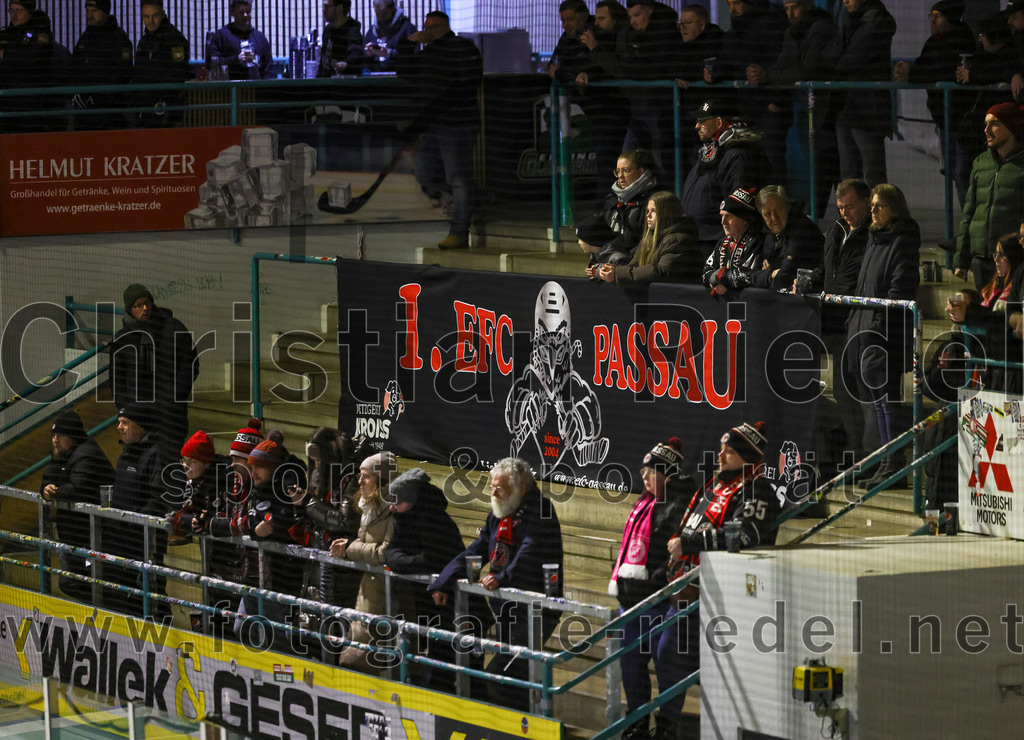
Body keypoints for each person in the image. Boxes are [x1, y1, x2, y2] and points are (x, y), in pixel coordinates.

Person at [663, 420, 780, 740]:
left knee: (680, 657)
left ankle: (681, 727)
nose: (720, 455)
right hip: (688, 590)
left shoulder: (758, 490)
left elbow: (746, 535)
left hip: (725, 596)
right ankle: (668, 726)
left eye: (729, 452)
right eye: (722, 449)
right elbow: (689, 523)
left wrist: (690, 544)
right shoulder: (714, 484)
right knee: (673, 657)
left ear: (746, 457)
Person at [430, 458, 564, 713]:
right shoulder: (499, 512)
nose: (493, 493)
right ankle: (520, 724)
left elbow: (531, 552)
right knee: (516, 679)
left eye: (499, 488)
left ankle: (520, 723)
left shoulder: (541, 510)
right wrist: (443, 581)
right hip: (505, 607)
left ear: (521, 489)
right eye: (492, 486)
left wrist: (502, 578)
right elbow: (477, 550)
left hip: (536, 608)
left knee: (503, 672)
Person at [611, 438, 694, 740]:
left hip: (660, 600)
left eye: (650, 472)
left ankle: (668, 725)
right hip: (631, 599)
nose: (643, 477)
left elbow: (678, 555)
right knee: (630, 663)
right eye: (642, 471)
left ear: (667, 474)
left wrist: (653, 581)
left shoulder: (682, 504)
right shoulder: (642, 503)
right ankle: (637, 721)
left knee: (665, 664)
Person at [845, 184, 920, 489]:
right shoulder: (874, 239)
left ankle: (894, 463)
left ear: (895, 209)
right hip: (864, 330)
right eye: (872, 205)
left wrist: (875, 325)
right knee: (877, 405)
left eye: (880, 205)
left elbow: (898, 289)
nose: (873, 210)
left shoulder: (902, 241)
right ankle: (886, 462)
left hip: (884, 334)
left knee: (887, 403)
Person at [398, 12, 482, 250]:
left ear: (440, 27)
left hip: (457, 124)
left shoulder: (463, 48)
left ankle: (459, 230)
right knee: (424, 175)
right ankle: (467, 203)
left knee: (457, 178)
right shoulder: (429, 53)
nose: (427, 32)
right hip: (434, 126)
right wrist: (408, 44)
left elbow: (468, 83)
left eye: (430, 28)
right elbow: (404, 71)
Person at [383, 467, 470, 691]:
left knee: (447, 651)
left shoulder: (433, 520)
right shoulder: (403, 517)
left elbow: (432, 559)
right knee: (432, 645)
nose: (391, 507)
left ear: (411, 499)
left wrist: (402, 562)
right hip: (425, 598)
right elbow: (390, 552)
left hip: (449, 600)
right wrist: (404, 561)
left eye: (396, 501)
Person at [329, 450, 410, 673]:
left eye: (366, 476)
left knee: (366, 661)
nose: (360, 481)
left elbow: (385, 552)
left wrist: (350, 548)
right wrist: (347, 547)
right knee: (356, 660)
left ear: (382, 480)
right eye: (360, 475)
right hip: (369, 590)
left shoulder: (393, 511)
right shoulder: (369, 509)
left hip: (386, 595)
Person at [811, 179, 871, 463]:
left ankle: (866, 455)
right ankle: (854, 453)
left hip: (858, 320)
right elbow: (829, 271)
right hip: (834, 318)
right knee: (842, 393)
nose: (844, 213)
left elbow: (855, 278)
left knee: (857, 394)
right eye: (840, 208)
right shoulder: (835, 230)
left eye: (850, 207)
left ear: (866, 203)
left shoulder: (872, 233)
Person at [551, 0, 630, 206]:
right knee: (607, 163)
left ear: (585, 16)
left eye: (571, 19)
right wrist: (567, 73)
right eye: (563, 20)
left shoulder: (599, 34)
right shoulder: (566, 39)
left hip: (613, 109)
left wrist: (577, 72)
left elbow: (599, 66)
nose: (566, 24)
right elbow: (555, 67)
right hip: (595, 112)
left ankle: (605, 212)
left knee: (610, 164)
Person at [892, 1, 974, 183]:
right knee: (954, 173)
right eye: (932, 16)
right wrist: (906, 70)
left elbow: (943, 70)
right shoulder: (933, 42)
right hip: (943, 118)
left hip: (961, 118)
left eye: (938, 16)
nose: (933, 21)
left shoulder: (961, 40)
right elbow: (925, 65)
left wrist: (912, 72)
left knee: (963, 174)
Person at [110, 284, 198, 453]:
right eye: (138, 305)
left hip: (170, 414)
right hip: (137, 416)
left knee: (168, 459)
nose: (144, 308)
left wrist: (175, 395)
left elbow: (191, 363)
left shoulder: (173, 328)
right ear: (129, 309)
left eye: (147, 303)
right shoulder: (122, 339)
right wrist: (126, 410)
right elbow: (116, 379)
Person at [708, 0, 788, 183]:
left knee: (771, 159)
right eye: (729, 4)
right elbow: (725, 64)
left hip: (769, 108)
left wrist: (777, 100)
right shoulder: (732, 34)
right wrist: (713, 74)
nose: (732, 9)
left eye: (736, 3)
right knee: (748, 160)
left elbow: (783, 64)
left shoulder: (771, 28)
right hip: (745, 108)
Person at [40, 410, 115, 602]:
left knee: (86, 583)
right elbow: (48, 479)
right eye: (53, 436)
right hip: (75, 533)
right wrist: (45, 488)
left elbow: (77, 488)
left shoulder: (86, 454)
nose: (55, 440)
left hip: (93, 534)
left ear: (71, 436)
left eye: (59, 436)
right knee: (72, 581)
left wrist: (54, 491)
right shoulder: (61, 454)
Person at [109, 403, 176, 617]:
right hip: (121, 540)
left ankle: (162, 639)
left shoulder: (156, 455)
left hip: (146, 542)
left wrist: (133, 520)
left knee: (152, 596)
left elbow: (158, 500)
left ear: (141, 426)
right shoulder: (125, 453)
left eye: (125, 423)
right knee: (125, 596)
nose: (119, 427)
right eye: (119, 422)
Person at [822, 0, 896, 188]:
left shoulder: (877, 21)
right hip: (847, 105)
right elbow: (832, 55)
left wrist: (835, 60)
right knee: (850, 176)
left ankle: (880, 215)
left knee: (872, 174)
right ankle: (855, 216)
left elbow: (852, 58)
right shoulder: (851, 18)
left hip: (866, 109)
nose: (846, 1)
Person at [680, 99, 769, 255]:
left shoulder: (737, 155)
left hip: (716, 243)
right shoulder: (712, 152)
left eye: (702, 121)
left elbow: (739, 206)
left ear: (718, 122)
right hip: (698, 239)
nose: (696, 126)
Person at [955, 103, 1024, 292]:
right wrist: (961, 258)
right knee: (987, 316)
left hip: (1012, 259)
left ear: (1010, 127)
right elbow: (969, 213)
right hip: (982, 260)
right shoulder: (980, 163)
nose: (986, 130)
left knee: (1009, 314)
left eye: (994, 124)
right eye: (985, 124)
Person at [951, 13, 1016, 207]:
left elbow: (1003, 71)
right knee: (963, 175)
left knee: (991, 178)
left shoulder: (1012, 56)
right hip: (972, 128)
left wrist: (974, 75)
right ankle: (969, 224)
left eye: (983, 34)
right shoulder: (979, 56)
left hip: (997, 129)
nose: (979, 38)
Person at [948, 233, 1024, 392]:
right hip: (993, 362)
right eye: (995, 254)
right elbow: (1003, 316)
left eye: (1001, 255)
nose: (996, 259)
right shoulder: (995, 285)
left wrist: (969, 314)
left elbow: (1001, 318)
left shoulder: (1014, 281)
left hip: (1010, 364)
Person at [576, 149, 660, 271]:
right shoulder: (612, 200)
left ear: (641, 171)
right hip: (612, 267)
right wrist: (596, 266)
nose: (620, 176)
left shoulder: (653, 202)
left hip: (635, 268)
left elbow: (649, 242)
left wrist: (621, 265)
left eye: (626, 171)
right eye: (617, 171)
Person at [598, 191, 702, 286]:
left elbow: (661, 272)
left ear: (667, 213)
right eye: (647, 210)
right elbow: (634, 266)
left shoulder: (677, 240)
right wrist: (613, 270)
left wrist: (618, 273)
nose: (648, 215)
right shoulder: (648, 239)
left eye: (653, 211)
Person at [71, 0, 133, 131]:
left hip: (109, 114)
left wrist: (97, 96)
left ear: (105, 12)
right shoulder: (86, 37)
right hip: (83, 113)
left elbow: (122, 74)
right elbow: (74, 67)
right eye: (87, 11)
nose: (89, 15)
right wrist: (76, 94)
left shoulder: (118, 39)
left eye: (94, 11)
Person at [749, 185, 824, 291]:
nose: (774, 218)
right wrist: (772, 273)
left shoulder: (802, 231)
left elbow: (783, 279)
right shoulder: (768, 233)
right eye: (767, 214)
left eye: (778, 210)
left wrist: (768, 274)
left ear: (787, 207)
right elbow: (752, 275)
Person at [0, 0, 56, 133]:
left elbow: (31, 57)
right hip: (8, 105)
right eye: (11, 10)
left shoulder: (39, 33)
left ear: (29, 12)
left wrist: (5, 55)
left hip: (32, 106)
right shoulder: (9, 34)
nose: (13, 15)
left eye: (18, 10)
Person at [134, 1, 191, 127]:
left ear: (163, 14)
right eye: (146, 17)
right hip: (145, 105)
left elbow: (179, 73)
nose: (150, 21)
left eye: (155, 16)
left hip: (166, 107)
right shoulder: (145, 40)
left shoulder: (174, 39)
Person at [702, 187, 764, 296]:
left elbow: (748, 276)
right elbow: (705, 272)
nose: (723, 222)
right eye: (722, 216)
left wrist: (720, 275)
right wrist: (714, 280)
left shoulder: (757, 243)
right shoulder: (722, 243)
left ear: (744, 220)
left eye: (729, 217)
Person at [207, 0, 272, 80]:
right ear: (232, 13)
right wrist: (236, 59)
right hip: (229, 90)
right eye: (241, 12)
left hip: (256, 90)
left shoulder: (260, 38)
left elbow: (269, 69)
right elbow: (211, 63)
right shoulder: (221, 37)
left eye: (248, 12)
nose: (245, 15)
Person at [674, 5, 723, 87]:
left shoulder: (715, 38)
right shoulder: (680, 40)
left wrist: (682, 74)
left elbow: (706, 67)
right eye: (681, 24)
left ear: (702, 25)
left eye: (688, 23)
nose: (683, 28)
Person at [362, 0, 415, 73]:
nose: (380, 19)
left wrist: (389, 53)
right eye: (377, 15)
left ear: (393, 9)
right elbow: (364, 64)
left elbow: (412, 60)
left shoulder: (407, 29)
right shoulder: (371, 32)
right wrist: (368, 54)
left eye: (384, 15)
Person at [317, 0, 363, 77]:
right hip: (326, 83)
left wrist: (346, 64)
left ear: (339, 8)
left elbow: (356, 55)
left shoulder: (352, 31)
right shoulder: (328, 30)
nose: (323, 10)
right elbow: (323, 63)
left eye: (327, 6)